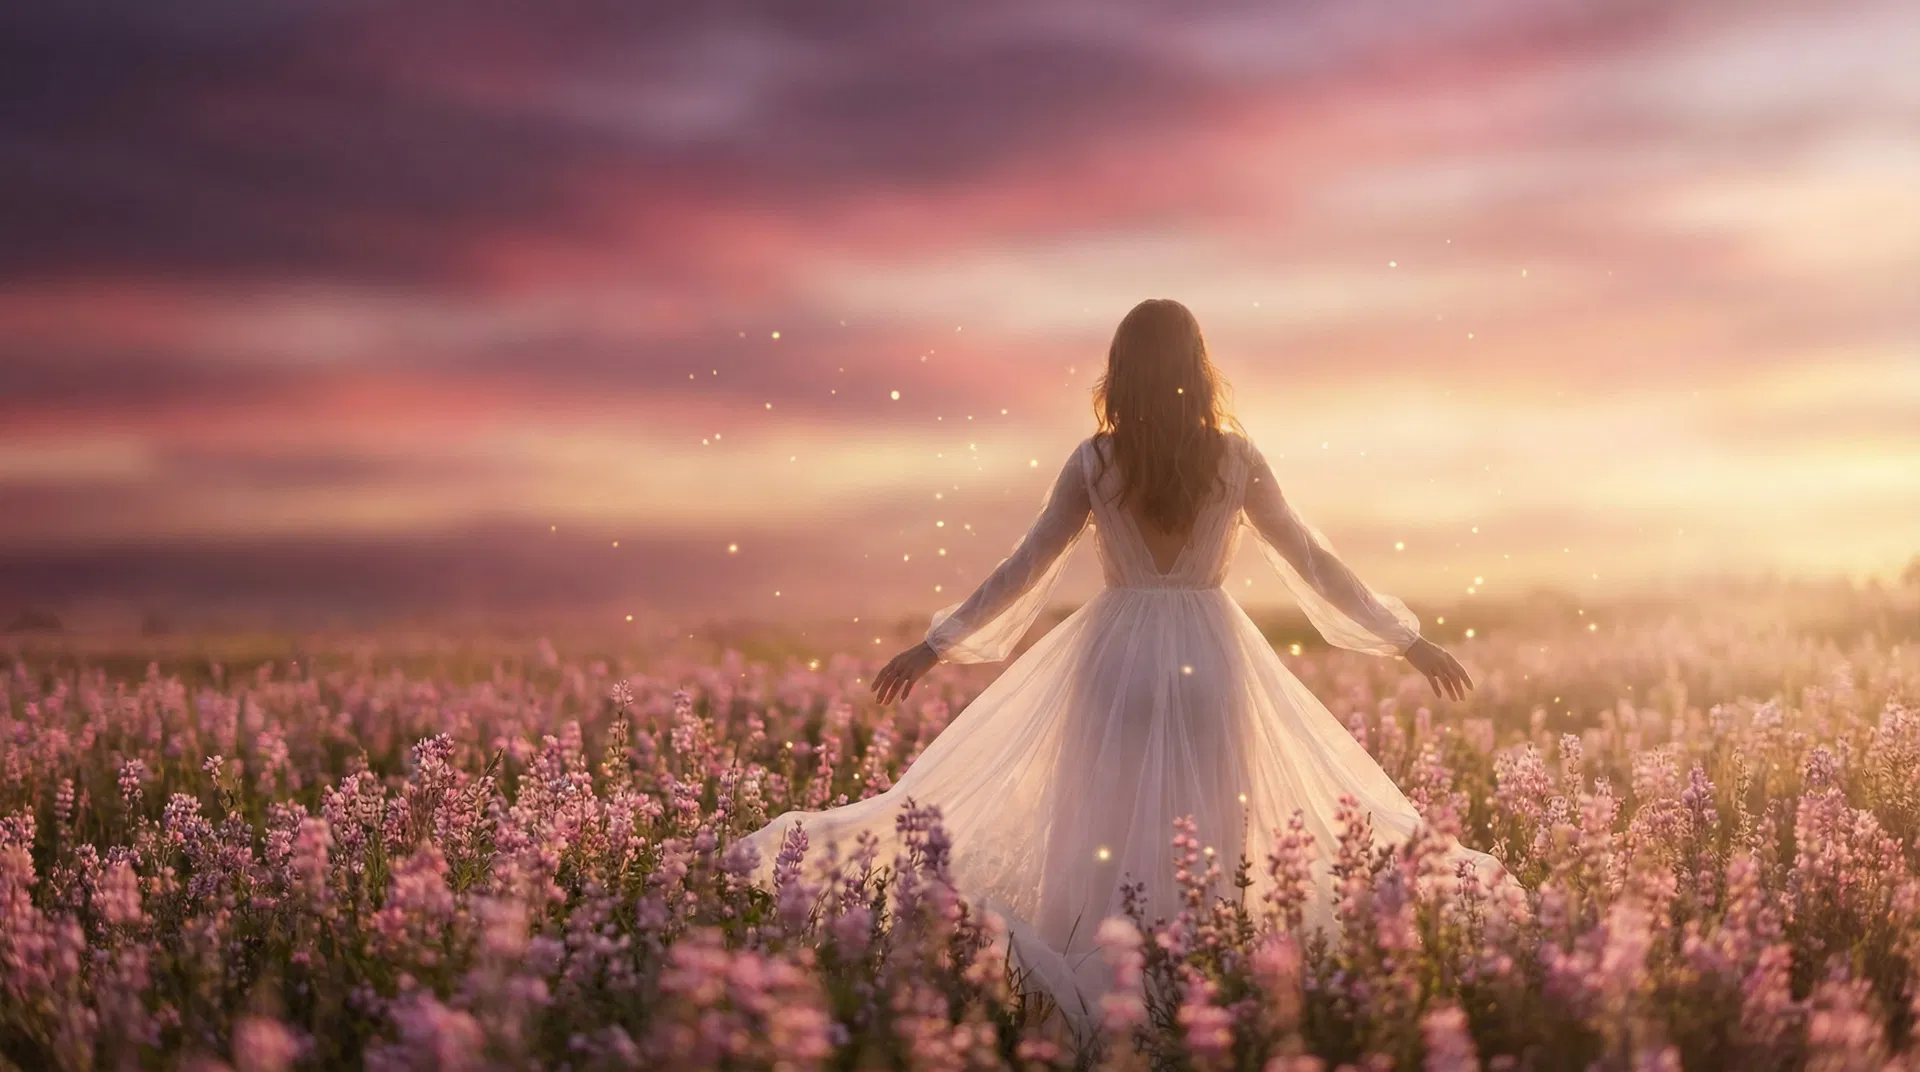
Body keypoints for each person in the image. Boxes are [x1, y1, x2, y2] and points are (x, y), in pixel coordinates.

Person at [738, 297, 1508, 1034]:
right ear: (1198, 367)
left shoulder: (1096, 460)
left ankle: (1100, 970)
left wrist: (936, 645)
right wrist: (1405, 639)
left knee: (1100, 818)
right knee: (1208, 819)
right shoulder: (1234, 458)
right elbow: (1313, 561)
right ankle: (1192, 982)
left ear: (1122, 369)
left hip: (1114, 658)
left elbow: (1025, 566)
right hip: (1211, 656)